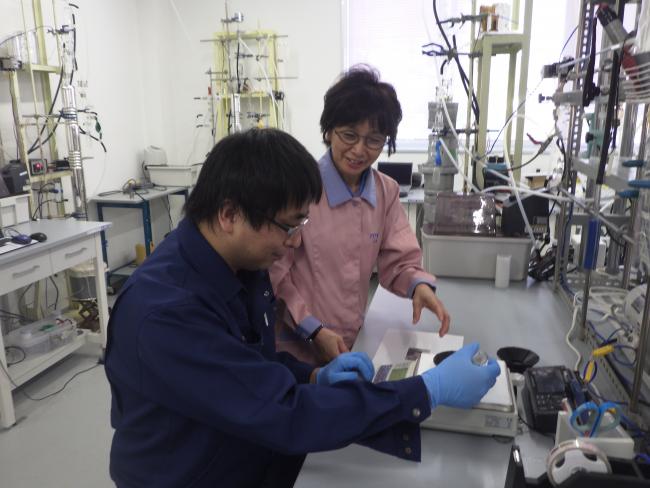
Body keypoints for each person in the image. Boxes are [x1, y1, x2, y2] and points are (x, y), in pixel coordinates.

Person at [104, 128, 500, 488]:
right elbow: (280, 413)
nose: (295, 242)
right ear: (229, 215)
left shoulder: (239, 264)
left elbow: (248, 361)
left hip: (243, 449)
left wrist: (312, 376)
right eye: (289, 226)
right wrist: (426, 391)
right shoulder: (166, 314)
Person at [271, 65, 449, 365]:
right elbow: (276, 276)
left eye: (374, 140)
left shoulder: (386, 192)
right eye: (349, 135)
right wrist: (313, 330)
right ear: (329, 130)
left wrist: (419, 285)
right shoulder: (299, 188)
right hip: (299, 342)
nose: (359, 150)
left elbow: (399, 260)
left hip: (352, 339)